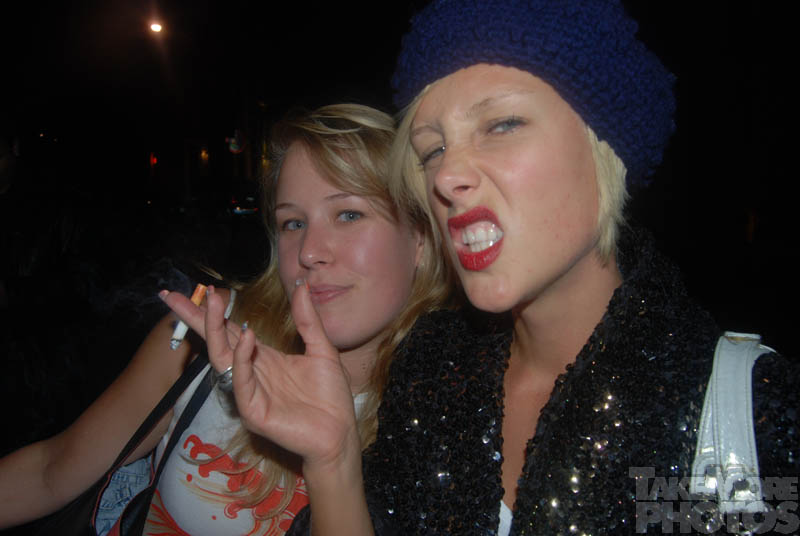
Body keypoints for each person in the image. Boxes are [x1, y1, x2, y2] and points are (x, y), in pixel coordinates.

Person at [163, 2, 799, 535]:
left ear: (605, 145)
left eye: (501, 124)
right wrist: (332, 462)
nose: (445, 175)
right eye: (432, 149)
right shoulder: (432, 369)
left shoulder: (753, 412)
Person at [0, 103, 452, 535]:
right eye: (293, 223)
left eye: (348, 214)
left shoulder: (453, 412)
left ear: (420, 237)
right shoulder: (208, 337)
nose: (310, 252)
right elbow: (50, 473)